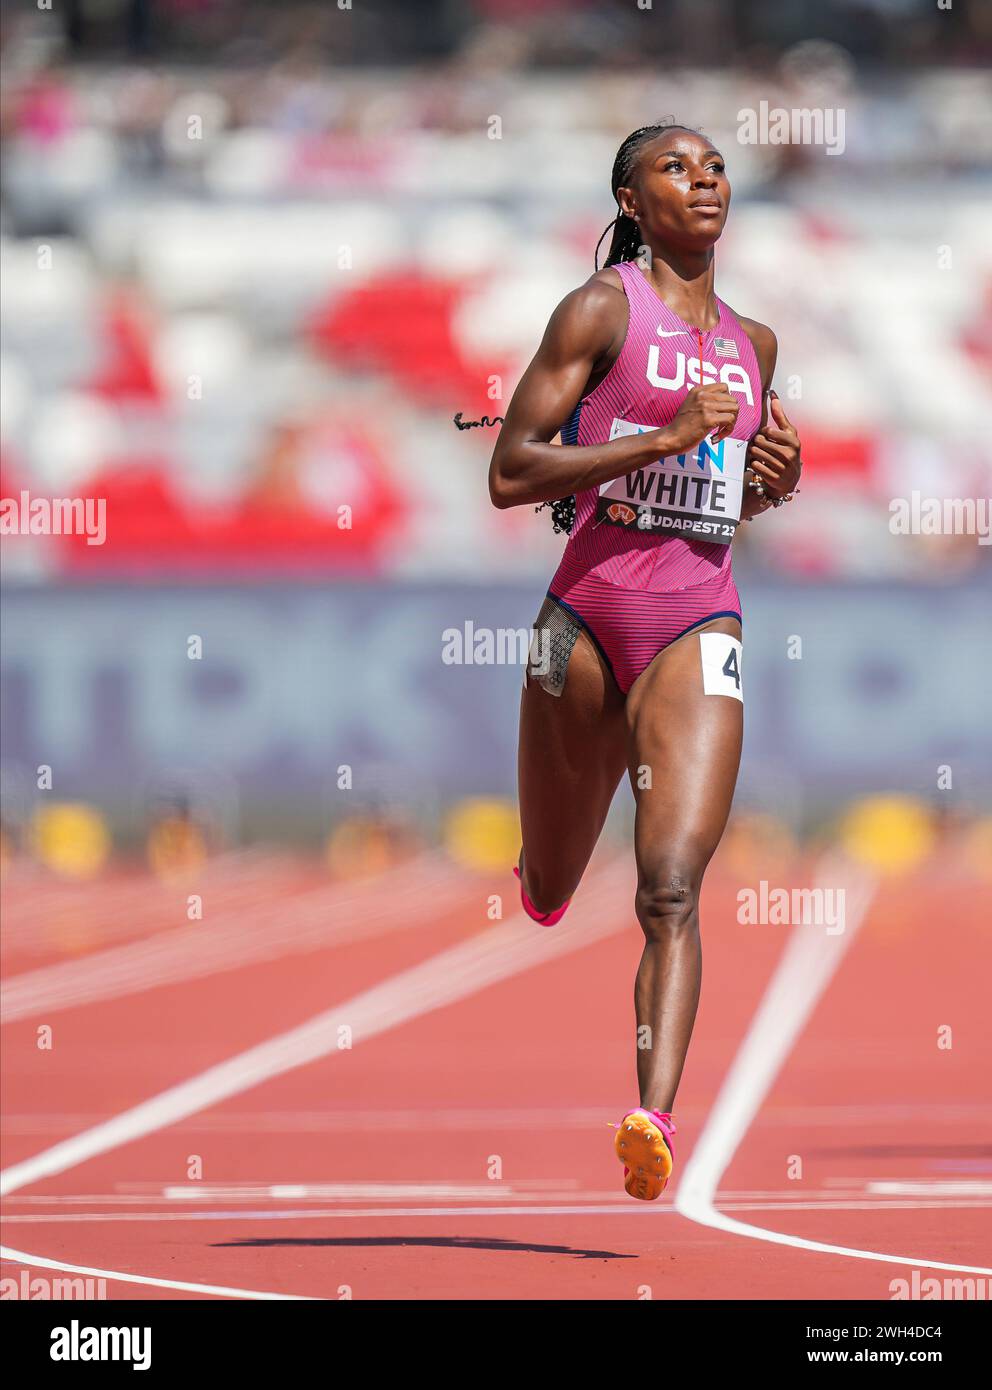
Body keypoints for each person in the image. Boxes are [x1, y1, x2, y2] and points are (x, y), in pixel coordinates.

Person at [488, 123, 802, 1201]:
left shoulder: (755, 345)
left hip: (695, 619)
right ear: (630, 194)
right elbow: (512, 470)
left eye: (714, 165)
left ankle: (650, 1116)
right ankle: (538, 876)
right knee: (550, 879)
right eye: (675, 166)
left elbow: (730, 498)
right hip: (580, 618)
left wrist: (773, 479)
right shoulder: (599, 310)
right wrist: (659, 439)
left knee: (670, 885)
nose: (702, 179)